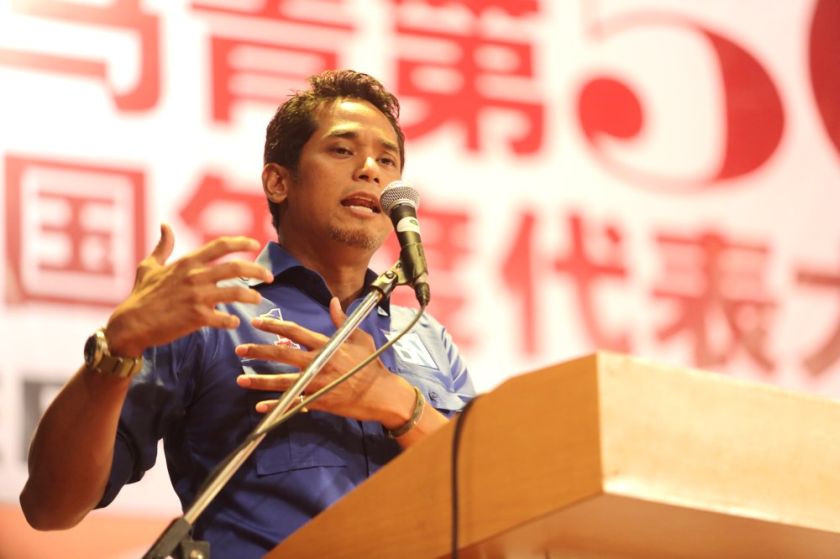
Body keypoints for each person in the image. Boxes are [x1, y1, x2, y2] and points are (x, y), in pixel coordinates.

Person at [20, 69, 474, 557]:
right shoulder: (210, 315)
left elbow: (499, 495)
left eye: (387, 159)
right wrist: (116, 350)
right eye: (343, 150)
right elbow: (50, 507)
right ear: (279, 182)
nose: (371, 169)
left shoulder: (425, 337)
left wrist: (398, 405)